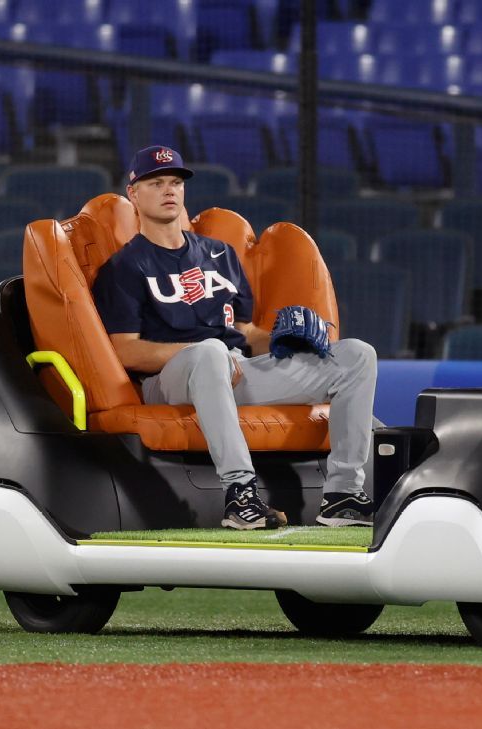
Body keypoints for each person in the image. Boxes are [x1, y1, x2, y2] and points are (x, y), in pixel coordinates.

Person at [92, 145, 379, 531]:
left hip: (236, 371)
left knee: (356, 354)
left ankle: (342, 494)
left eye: (175, 182)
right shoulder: (125, 267)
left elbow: (243, 333)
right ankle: (240, 494)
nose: (168, 190)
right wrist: (202, 351)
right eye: (156, 182)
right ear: (134, 193)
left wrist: (283, 339)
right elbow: (124, 351)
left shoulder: (220, 254)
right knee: (211, 352)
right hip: (170, 381)